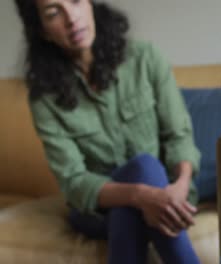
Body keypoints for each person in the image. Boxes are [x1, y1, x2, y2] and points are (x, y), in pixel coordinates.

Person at [14, 0, 201, 263]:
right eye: (54, 13)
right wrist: (140, 195)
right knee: (136, 185)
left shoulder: (144, 57)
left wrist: (180, 186)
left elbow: (179, 135)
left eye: (76, 1)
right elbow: (74, 181)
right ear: (42, 30)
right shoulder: (44, 98)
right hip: (96, 210)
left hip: (165, 195)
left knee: (138, 184)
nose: (71, 18)